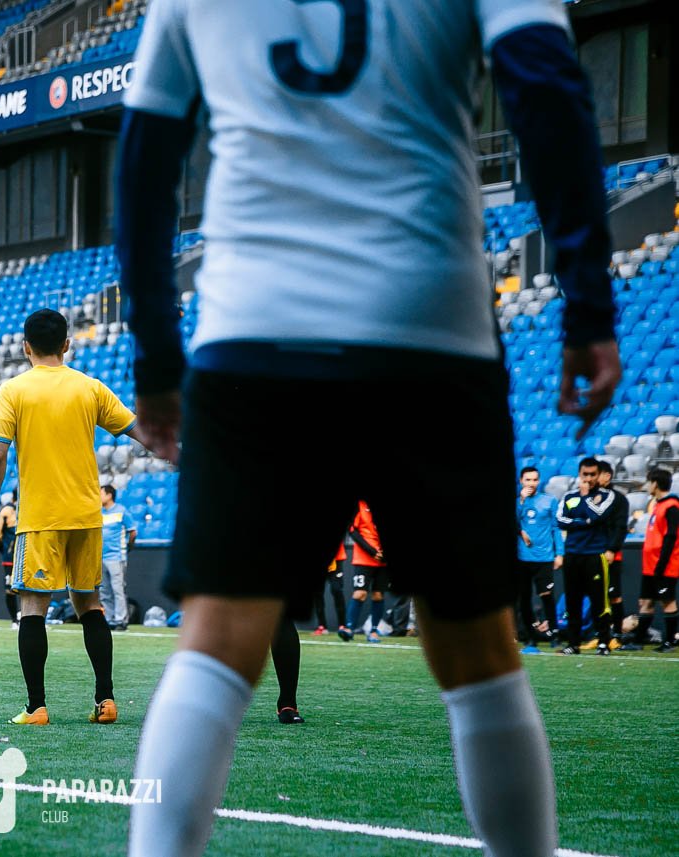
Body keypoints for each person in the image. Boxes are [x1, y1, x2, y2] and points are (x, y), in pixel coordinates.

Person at [116, 0, 620, 853]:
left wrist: (158, 360)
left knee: (215, 642)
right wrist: (587, 304)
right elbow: (545, 88)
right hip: (429, 325)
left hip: (256, 329)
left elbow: (145, 158)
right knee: (477, 650)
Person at [0, 308, 144, 726]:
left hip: (41, 518)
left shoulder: (14, 390)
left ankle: (36, 707)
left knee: (33, 607)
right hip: (87, 516)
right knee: (90, 604)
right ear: (67, 345)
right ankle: (105, 700)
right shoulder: (90, 387)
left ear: (26, 348)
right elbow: (137, 430)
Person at [556, 459, 617, 655]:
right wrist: (585, 521)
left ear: (598, 475)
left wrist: (585, 499)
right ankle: (573, 644)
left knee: (599, 601)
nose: (589, 479)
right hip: (572, 555)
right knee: (572, 601)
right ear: (579, 474)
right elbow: (561, 520)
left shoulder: (607, 495)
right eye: (585, 474)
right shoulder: (568, 496)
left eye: (592, 475)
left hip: (595, 555)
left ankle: (603, 642)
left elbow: (598, 516)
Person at [624, 467, 677, 653]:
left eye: (649, 482)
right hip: (650, 565)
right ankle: (638, 641)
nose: (646, 486)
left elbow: (671, 537)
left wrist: (661, 564)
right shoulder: (658, 505)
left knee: (667, 601)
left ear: (655, 484)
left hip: (664, 566)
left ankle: (669, 642)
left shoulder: (672, 506)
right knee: (646, 602)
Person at [516, 467, 563, 652]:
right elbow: (512, 523)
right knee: (524, 598)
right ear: (521, 481)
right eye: (528, 480)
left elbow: (556, 528)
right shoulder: (517, 502)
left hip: (544, 557)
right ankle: (530, 638)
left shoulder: (549, 500)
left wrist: (559, 553)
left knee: (547, 596)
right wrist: (521, 501)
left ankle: (554, 635)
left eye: (534, 479)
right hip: (522, 558)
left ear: (539, 481)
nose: (531, 483)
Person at [592, 459, 629, 649]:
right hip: (591, 553)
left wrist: (612, 549)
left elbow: (621, 527)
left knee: (614, 595)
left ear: (606, 476)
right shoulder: (590, 497)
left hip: (609, 554)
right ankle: (600, 633)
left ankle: (617, 634)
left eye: (595, 474)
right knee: (596, 595)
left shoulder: (619, 499)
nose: (591, 478)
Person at [340, 501, 387, 643]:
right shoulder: (360, 505)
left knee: (378, 595)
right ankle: (349, 629)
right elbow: (352, 530)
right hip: (363, 558)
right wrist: (372, 551)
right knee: (360, 593)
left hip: (383, 561)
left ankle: (374, 631)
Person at [99, 484, 137, 631]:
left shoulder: (121, 511)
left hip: (116, 557)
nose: (99, 496)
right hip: (101, 557)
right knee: (104, 591)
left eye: (101, 493)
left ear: (109, 495)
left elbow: (132, 531)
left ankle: (121, 620)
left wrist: (128, 547)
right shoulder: (99, 512)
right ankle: (109, 619)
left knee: (118, 589)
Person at [313, 544, 346, 635]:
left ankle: (343, 625)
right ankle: (322, 626)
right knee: (317, 593)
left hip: (336, 559)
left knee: (336, 590)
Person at [0, 489, 20, 626]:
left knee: (30, 588)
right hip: (12, 558)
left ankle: (25, 618)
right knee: (11, 588)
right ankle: (15, 620)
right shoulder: (7, 511)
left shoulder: (29, 508)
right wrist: (6, 551)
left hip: (23, 556)